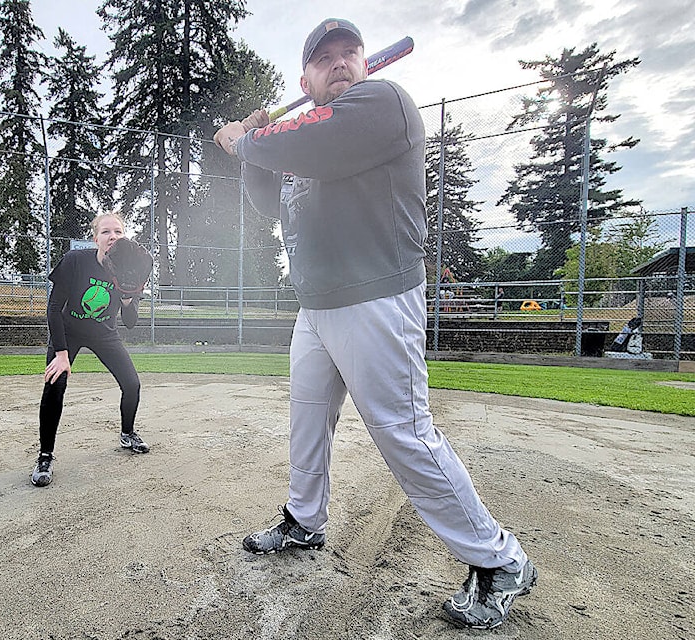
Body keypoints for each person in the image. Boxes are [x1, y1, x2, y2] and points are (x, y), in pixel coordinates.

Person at [213, 18, 536, 630]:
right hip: (317, 304)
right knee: (308, 417)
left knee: (403, 431)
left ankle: (500, 559)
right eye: (323, 58)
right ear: (304, 78)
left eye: (349, 53)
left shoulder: (382, 103)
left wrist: (249, 140)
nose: (339, 62)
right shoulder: (300, 136)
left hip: (378, 296)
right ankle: (305, 522)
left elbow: (306, 144)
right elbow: (266, 201)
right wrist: (255, 147)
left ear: (364, 66)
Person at [31, 212, 149, 489]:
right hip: (68, 331)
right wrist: (61, 354)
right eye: (106, 232)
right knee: (54, 383)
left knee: (132, 384)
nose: (112, 237)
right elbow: (53, 308)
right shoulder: (75, 261)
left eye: (118, 232)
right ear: (95, 239)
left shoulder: (127, 267)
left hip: (104, 333)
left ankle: (127, 433)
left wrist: (130, 296)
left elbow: (131, 323)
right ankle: (45, 456)